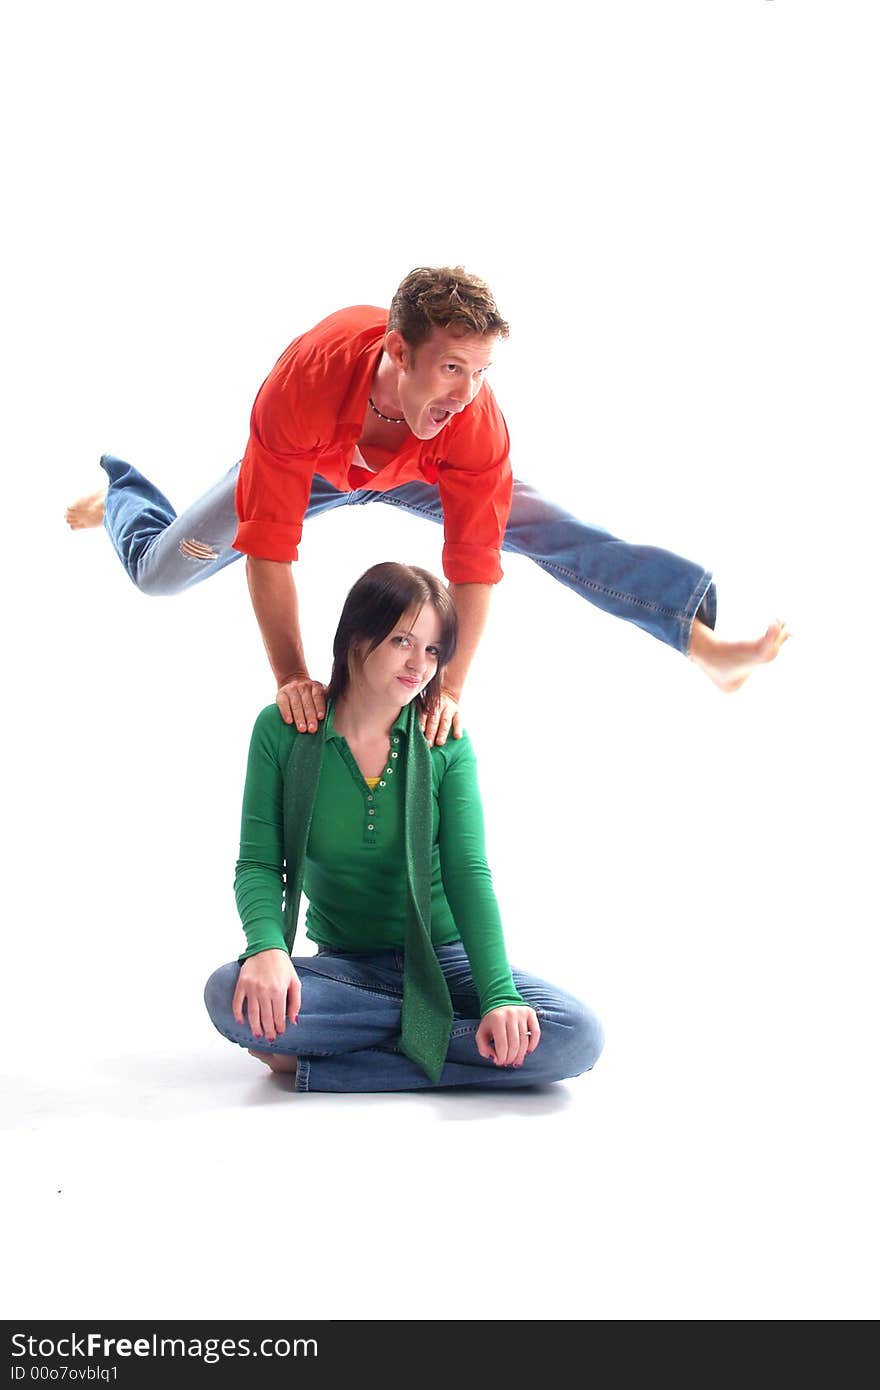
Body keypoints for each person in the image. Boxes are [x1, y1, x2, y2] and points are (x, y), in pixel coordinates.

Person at [67, 266, 788, 747]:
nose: (464, 392)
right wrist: (291, 676)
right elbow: (272, 552)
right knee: (159, 575)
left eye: (479, 372)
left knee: (545, 527)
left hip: (423, 468)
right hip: (312, 459)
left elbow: (474, 570)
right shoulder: (303, 388)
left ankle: (695, 639)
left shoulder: (470, 422)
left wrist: (449, 686)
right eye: (449, 368)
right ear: (396, 352)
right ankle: (123, 495)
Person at [203, 561, 603, 1092]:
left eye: (435, 650)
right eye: (402, 641)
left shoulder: (444, 741)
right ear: (355, 637)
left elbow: (468, 872)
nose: (421, 665)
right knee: (229, 992)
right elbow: (257, 862)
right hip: (350, 971)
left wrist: (500, 996)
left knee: (575, 1034)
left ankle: (323, 1064)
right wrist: (267, 949)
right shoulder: (284, 732)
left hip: (446, 962)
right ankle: (439, 1042)